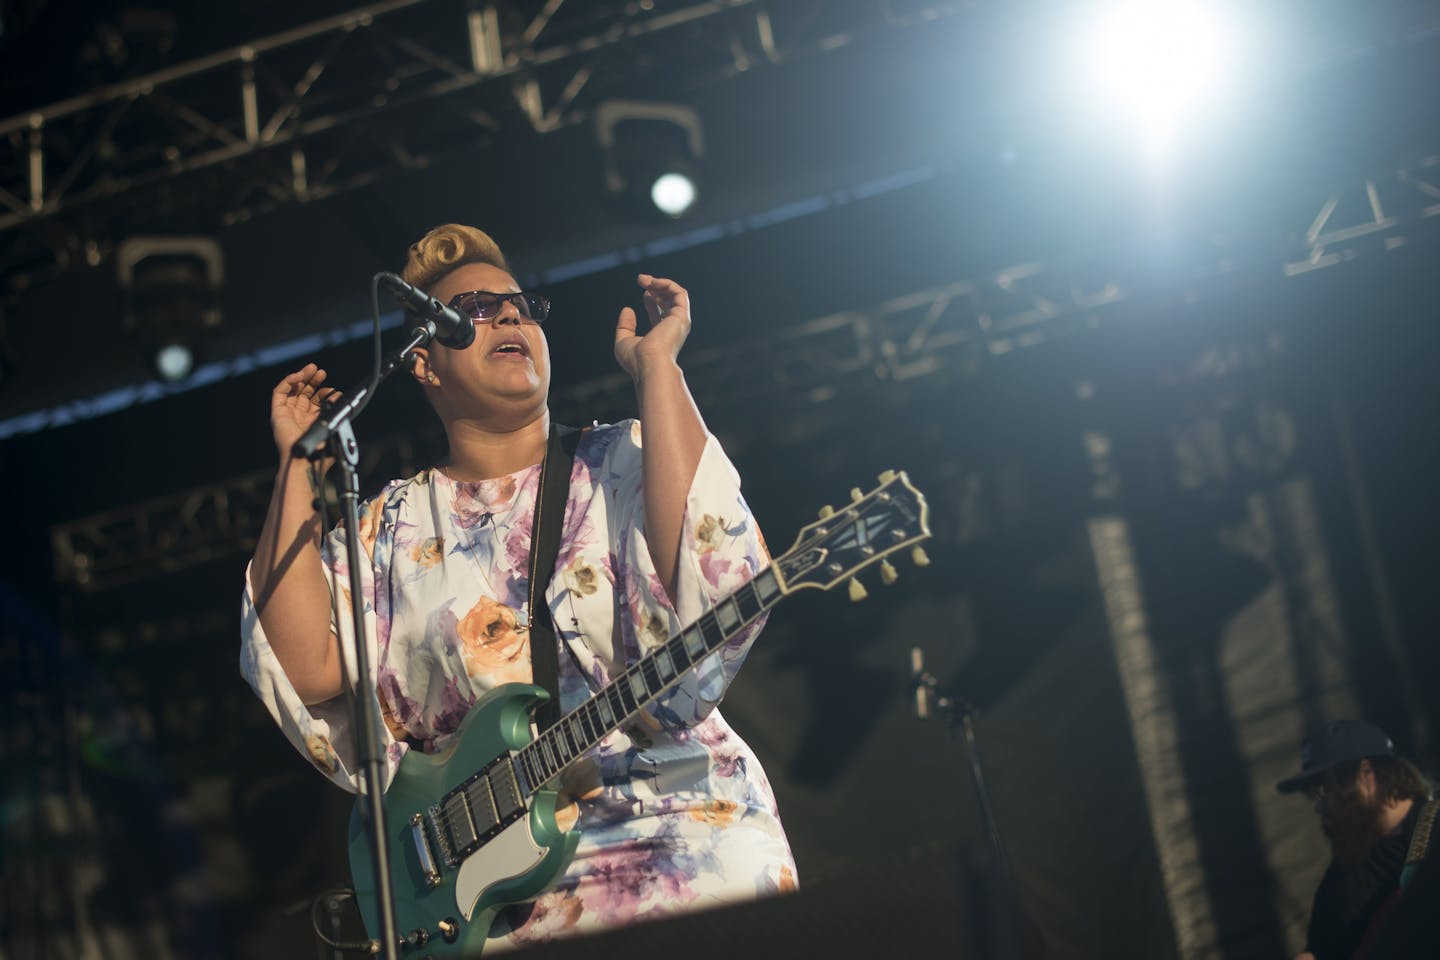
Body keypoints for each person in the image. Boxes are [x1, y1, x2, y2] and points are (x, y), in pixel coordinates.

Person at [240, 223, 797, 950]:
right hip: (493, 901)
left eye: (521, 307)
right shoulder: (387, 530)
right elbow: (304, 667)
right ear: (424, 364)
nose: (508, 317)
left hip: (681, 835)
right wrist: (295, 467)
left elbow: (714, 564)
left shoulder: (622, 458)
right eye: (471, 310)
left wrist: (657, 369)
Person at [1278, 719, 1438, 960]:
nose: (1319, 806)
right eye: (1312, 795)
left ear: (1365, 774)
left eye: (1323, 789)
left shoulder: (1434, 827)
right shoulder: (1339, 882)